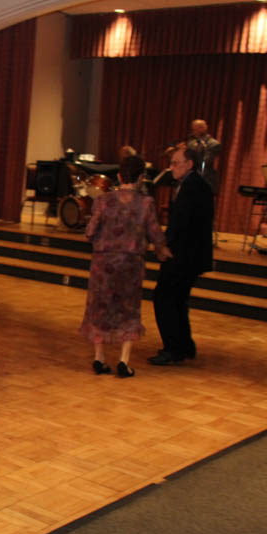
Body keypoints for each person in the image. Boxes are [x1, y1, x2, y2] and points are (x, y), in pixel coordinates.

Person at [80, 156, 172, 378]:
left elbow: (89, 233)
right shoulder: (146, 203)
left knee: (100, 308)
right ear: (141, 177)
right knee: (128, 310)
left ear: (119, 176)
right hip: (131, 264)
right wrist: (163, 251)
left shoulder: (103, 201)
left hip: (103, 263)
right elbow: (156, 235)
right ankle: (124, 361)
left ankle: (99, 358)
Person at [149, 146, 214, 366]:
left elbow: (183, 224)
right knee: (176, 300)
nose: (171, 167)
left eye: (176, 163)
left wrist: (164, 246)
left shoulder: (194, 187)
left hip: (184, 256)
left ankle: (173, 349)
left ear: (189, 164)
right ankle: (184, 346)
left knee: (164, 299)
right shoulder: (190, 184)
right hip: (186, 254)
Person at [186, 119, 221, 190]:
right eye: (194, 128)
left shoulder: (214, 144)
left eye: (199, 127)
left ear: (205, 128)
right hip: (189, 178)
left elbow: (206, 161)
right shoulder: (191, 143)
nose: (196, 130)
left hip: (205, 179)